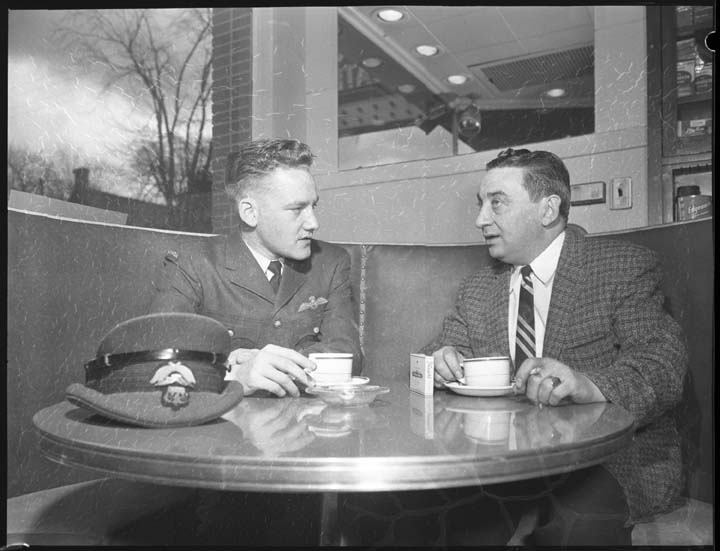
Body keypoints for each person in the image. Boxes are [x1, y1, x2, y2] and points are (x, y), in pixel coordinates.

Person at [421, 147, 688, 545]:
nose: (480, 219)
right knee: (440, 524)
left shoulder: (622, 267)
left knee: (577, 531)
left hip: (607, 461)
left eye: (497, 203)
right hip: (502, 463)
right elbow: (444, 346)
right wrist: (443, 359)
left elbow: (661, 366)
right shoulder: (479, 286)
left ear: (548, 210)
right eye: (481, 204)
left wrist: (588, 384)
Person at [149, 138, 362, 398]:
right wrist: (231, 374)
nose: (313, 223)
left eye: (313, 206)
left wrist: (271, 367)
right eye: (297, 209)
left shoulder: (330, 262)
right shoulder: (192, 264)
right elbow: (157, 358)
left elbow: (348, 354)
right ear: (250, 212)